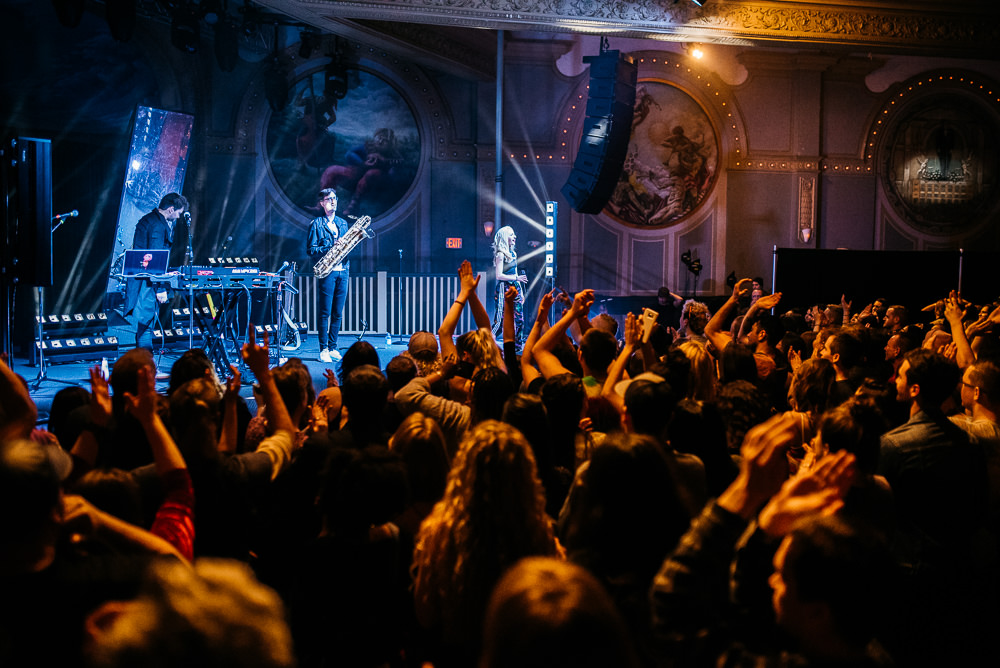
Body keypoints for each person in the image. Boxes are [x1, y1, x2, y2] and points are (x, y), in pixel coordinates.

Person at [124, 192, 188, 350]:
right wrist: (160, 287)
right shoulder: (158, 226)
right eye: (179, 213)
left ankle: (143, 364)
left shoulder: (148, 219)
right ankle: (148, 366)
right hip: (149, 284)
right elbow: (155, 258)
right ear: (171, 209)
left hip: (141, 279)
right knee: (146, 325)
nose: (179, 218)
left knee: (144, 326)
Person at [307, 188, 350, 363]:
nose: (333, 201)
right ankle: (323, 349)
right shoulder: (316, 224)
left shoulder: (343, 223)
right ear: (322, 203)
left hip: (343, 270)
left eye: (334, 198)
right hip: (327, 271)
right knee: (325, 312)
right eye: (328, 199)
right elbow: (311, 250)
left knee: (337, 313)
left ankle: (333, 347)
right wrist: (331, 246)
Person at [490, 226, 527, 353]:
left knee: (520, 319)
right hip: (503, 287)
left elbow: (516, 274)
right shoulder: (500, 255)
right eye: (511, 235)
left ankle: (517, 349)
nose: (514, 237)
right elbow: (499, 275)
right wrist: (516, 278)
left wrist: (521, 291)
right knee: (499, 320)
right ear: (506, 237)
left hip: (515, 286)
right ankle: (487, 340)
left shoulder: (514, 254)